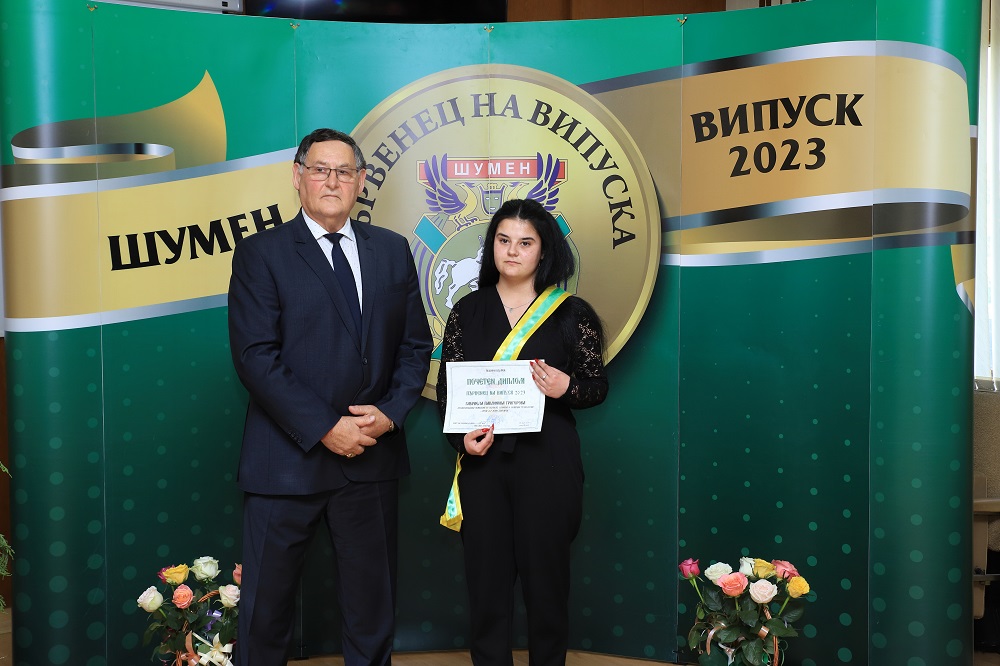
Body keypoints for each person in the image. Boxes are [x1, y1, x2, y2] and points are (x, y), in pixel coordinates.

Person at [228, 128, 432, 666]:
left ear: (361, 181)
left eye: (344, 171)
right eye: (320, 169)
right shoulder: (261, 253)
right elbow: (255, 356)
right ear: (298, 176)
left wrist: (390, 414)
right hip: (285, 464)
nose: (332, 181)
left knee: (371, 612)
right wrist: (325, 427)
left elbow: (415, 347)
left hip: (371, 458)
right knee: (265, 613)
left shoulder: (392, 251)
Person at [436, 198, 609, 666]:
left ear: (544, 251)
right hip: (483, 464)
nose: (512, 251)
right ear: (491, 246)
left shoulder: (571, 313)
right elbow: (448, 394)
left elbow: (596, 387)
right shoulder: (466, 311)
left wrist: (565, 387)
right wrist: (461, 440)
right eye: (503, 240)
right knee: (486, 585)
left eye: (525, 243)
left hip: (548, 462)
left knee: (547, 585)